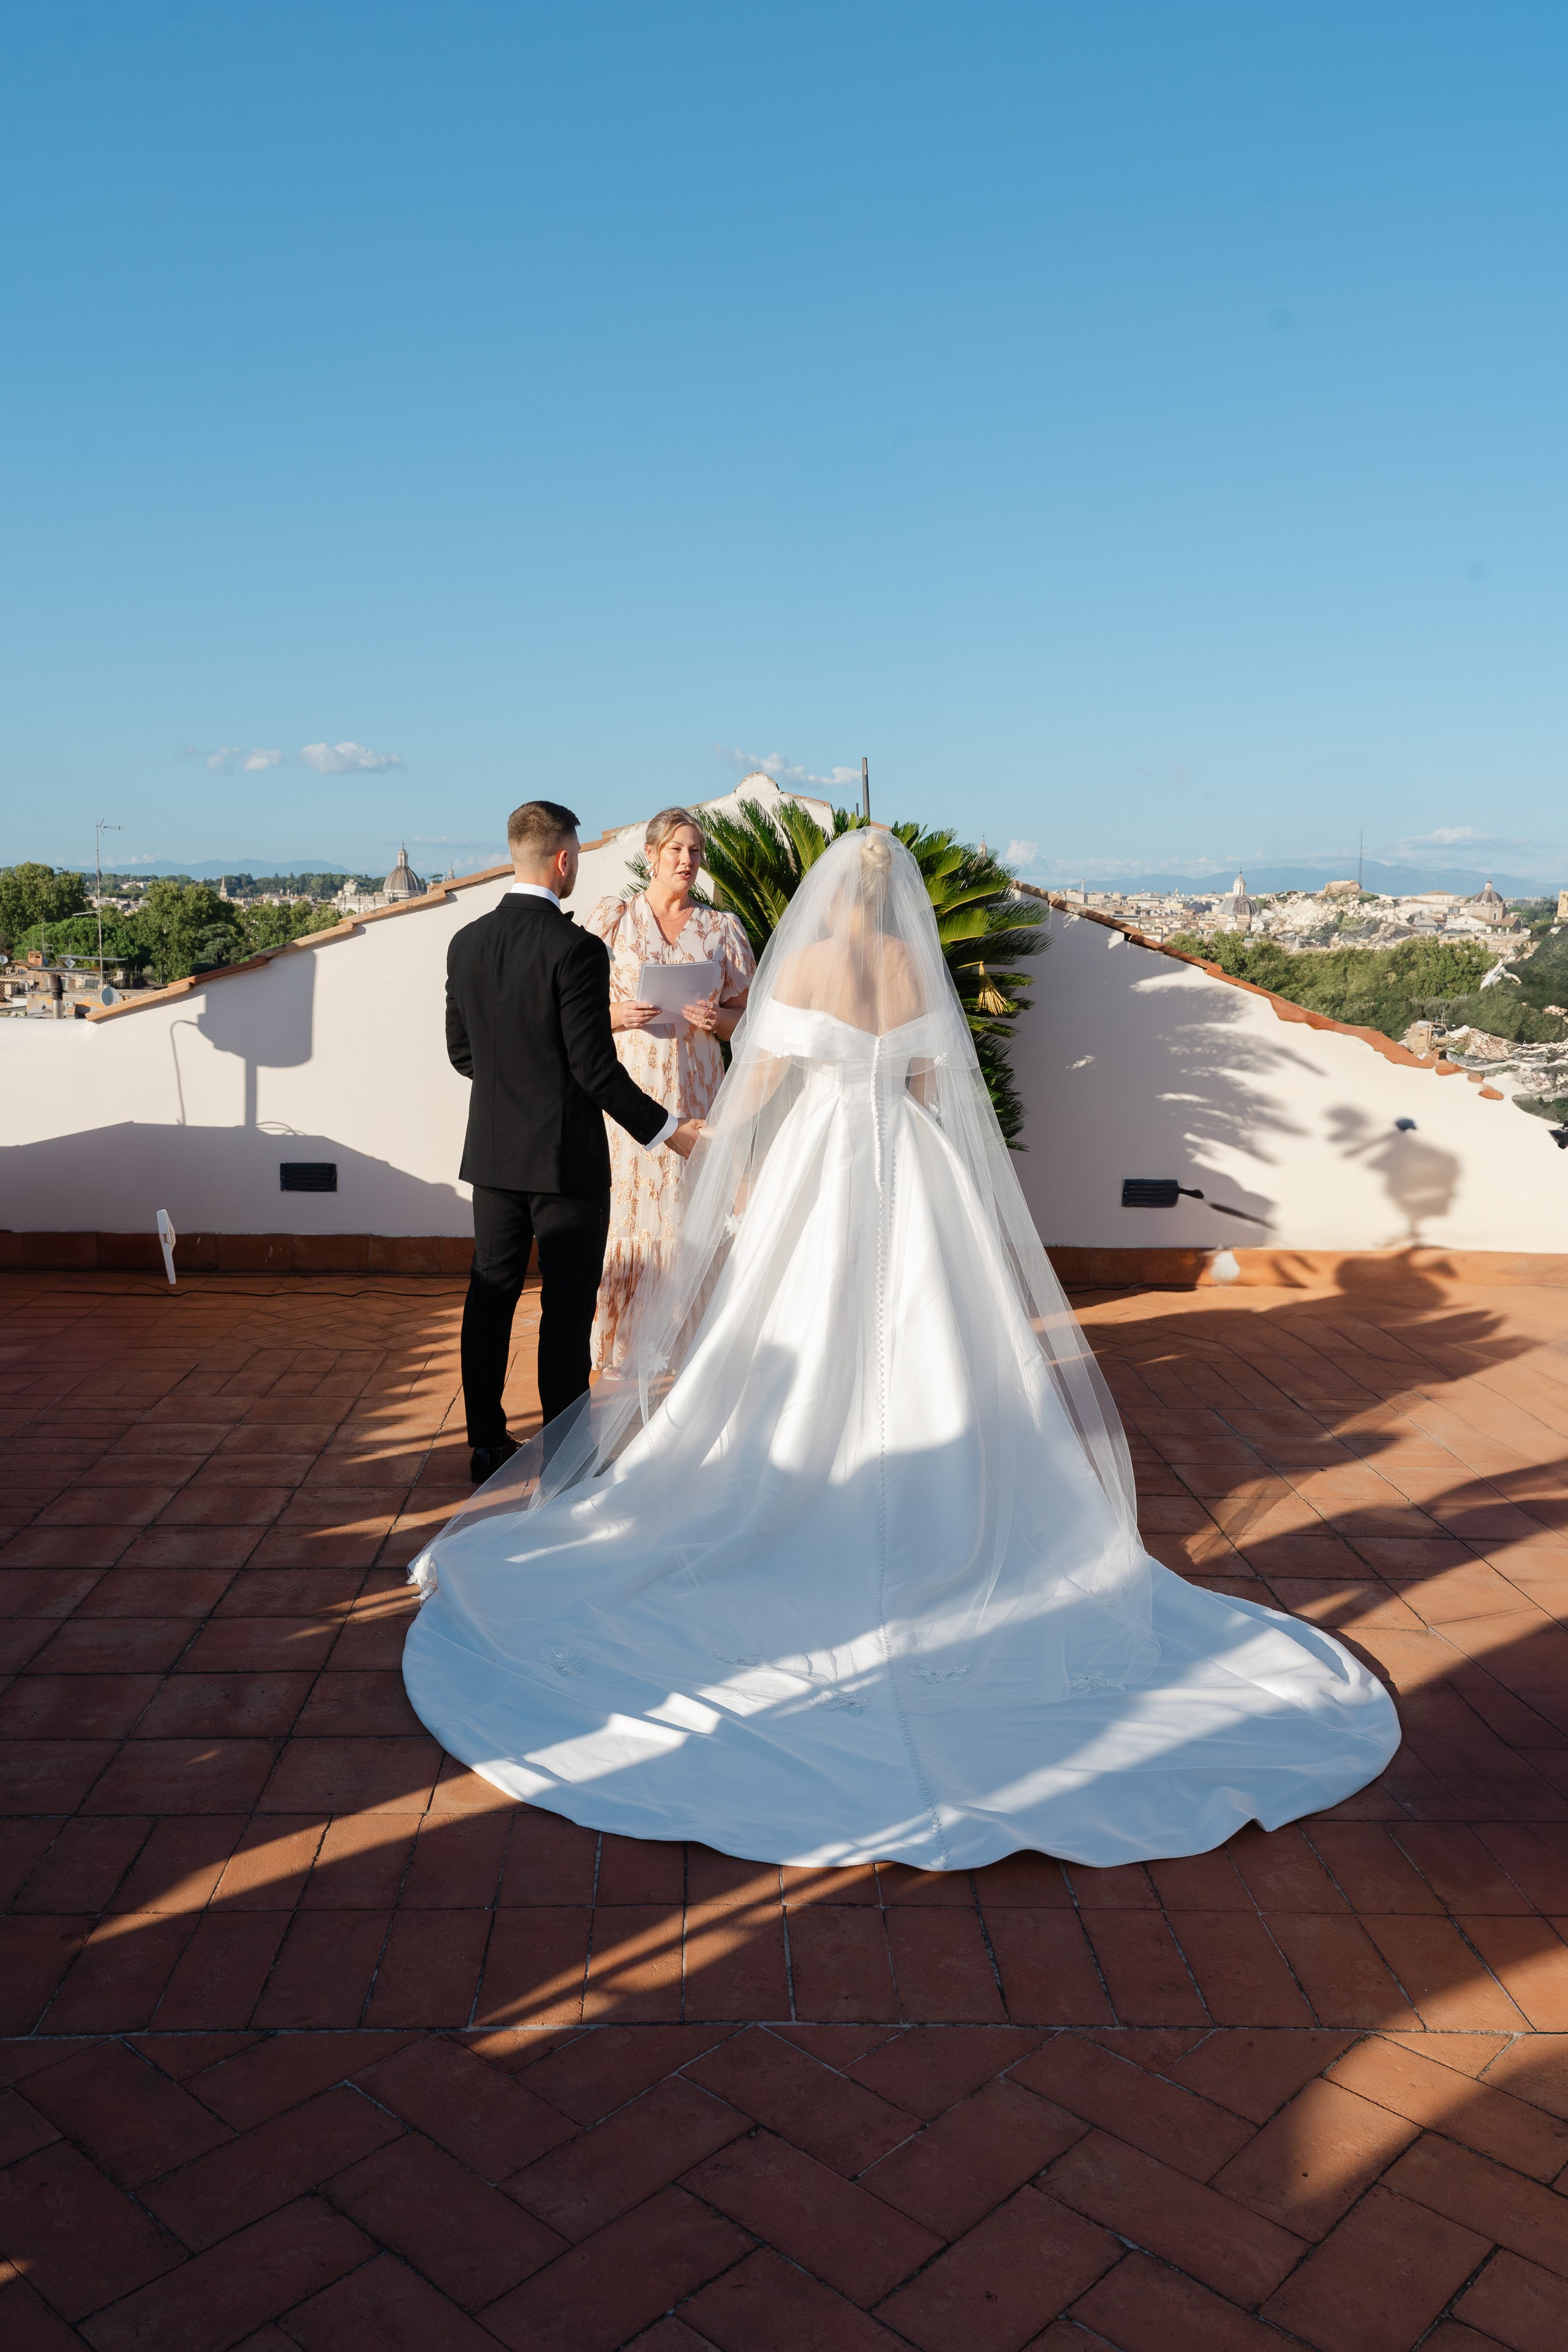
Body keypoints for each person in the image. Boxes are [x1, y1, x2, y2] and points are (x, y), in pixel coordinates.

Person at [408, 829, 1399, 1868]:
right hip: (909, 1168)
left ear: (833, 894)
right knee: (936, 1330)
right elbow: (935, 1093)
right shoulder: (906, 967)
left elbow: (765, 1074)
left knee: (791, 1325)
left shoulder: (818, 961)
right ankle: (943, 1505)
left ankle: (808, 1482)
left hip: (825, 1166)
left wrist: (741, 1130)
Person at [445, 798, 701, 1482]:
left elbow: (463, 1055)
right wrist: (672, 1131)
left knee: (490, 1292)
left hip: (494, 1158)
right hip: (566, 1163)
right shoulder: (576, 949)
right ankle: (566, 1453)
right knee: (565, 1307)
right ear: (562, 860)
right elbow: (595, 1070)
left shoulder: (466, 943)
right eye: (578, 857)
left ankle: (484, 1442)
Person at [582, 807, 755, 1368]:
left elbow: (750, 1018)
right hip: (631, 1091)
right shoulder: (613, 920)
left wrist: (717, 1021)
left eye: (696, 851)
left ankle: (693, 1344)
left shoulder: (722, 929)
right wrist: (617, 1014)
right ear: (652, 855)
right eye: (677, 850)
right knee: (633, 1213)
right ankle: (630, 1345)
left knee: (693, 1213)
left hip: (701, 1089)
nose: (687, 860)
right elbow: (574, 1011)